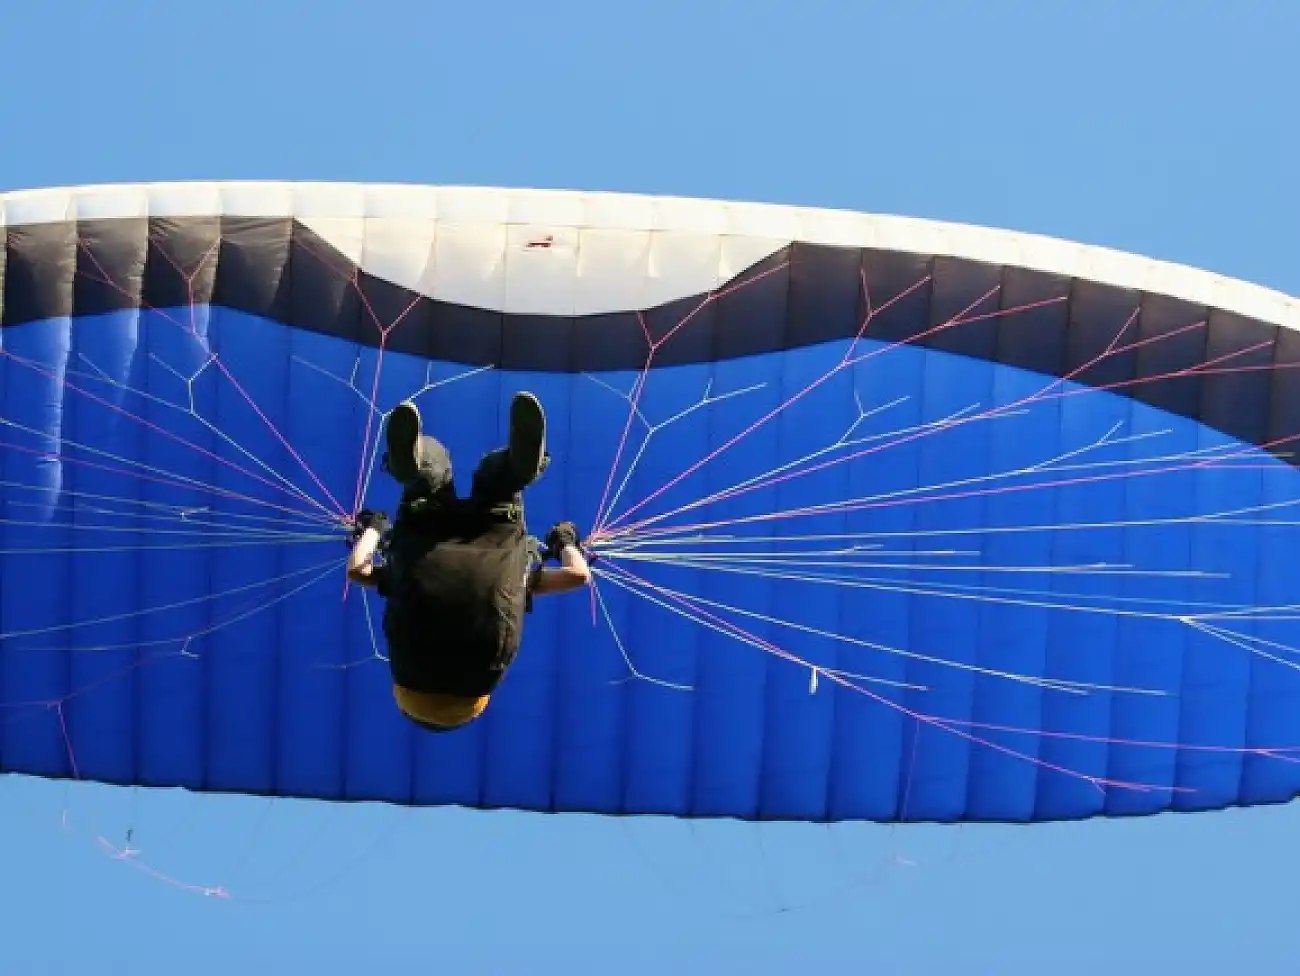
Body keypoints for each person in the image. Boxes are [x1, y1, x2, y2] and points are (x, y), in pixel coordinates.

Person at [345, 392, 592, 732]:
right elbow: (358, 570)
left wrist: (565, 541)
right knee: (430, 474)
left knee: (497, 483)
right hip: (424, 536)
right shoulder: (411, 630)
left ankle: (518, 469)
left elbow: (579, 576)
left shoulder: (504, 611)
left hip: (497, 533)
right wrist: (372, 530)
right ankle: (413, 465)